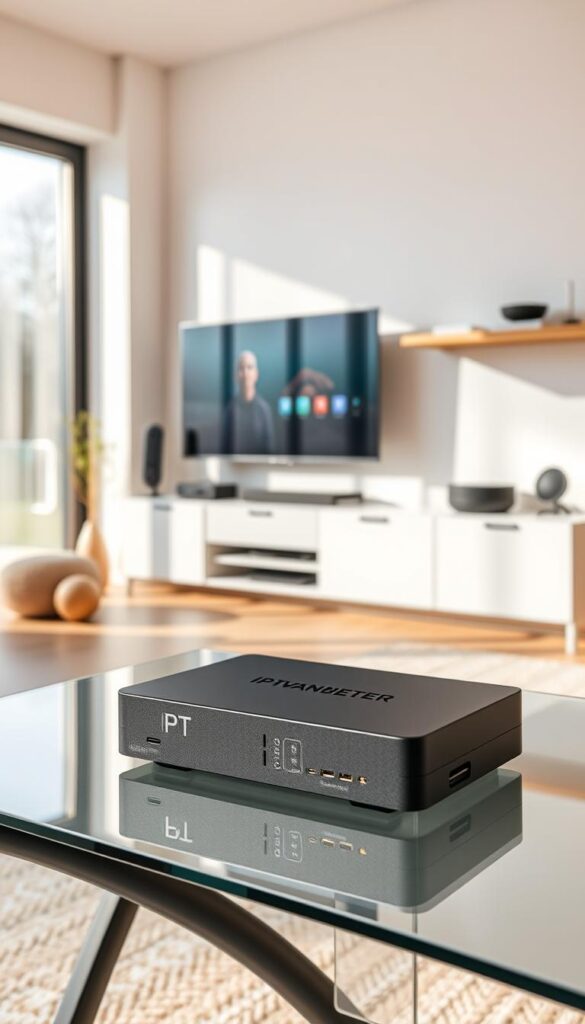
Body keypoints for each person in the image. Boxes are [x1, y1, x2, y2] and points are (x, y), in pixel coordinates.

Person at [222, 350, 275, 454]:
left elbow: (269, 450)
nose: (245, 373)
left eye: (249, 367)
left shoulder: (264, 410)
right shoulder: (230, 410)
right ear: (235, 375)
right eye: (241, 368)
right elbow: (225, 449)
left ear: (256, 374)